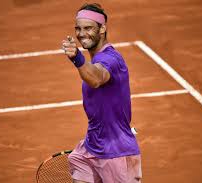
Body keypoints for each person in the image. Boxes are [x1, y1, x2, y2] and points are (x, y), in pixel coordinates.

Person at [61, 3, 142, 183]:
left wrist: (77, 59)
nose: (81, 34)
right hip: (90, 147)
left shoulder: (111, 60)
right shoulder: (96, 59)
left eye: (88, 28)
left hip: (116, 153)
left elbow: (97, 78)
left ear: (102, 28)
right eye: (78, 28)